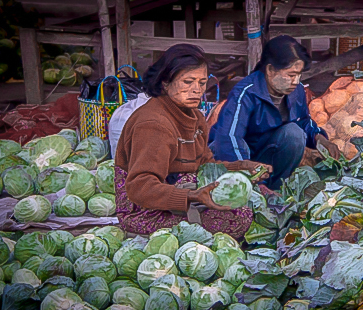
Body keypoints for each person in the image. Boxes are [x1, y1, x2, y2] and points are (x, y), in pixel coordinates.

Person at [114, 44, 271, 238]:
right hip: (145, 210)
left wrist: (241, 167)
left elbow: (206, 166)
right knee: (237, 218)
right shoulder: (153, 125)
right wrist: (191, 196)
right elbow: (140, 187)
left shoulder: (195, 117)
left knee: (259, 200)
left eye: (202, 82)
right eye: (188, 82)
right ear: (165, 83)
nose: (197, 90)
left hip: (181, 193)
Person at [209, 35, 340, 190]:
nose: (296, 81)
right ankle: (254, 189)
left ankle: (275, 189)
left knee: (294, 134)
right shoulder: (245, 93)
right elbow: (229, 139)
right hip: (234, 158)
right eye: (291, 75)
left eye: (299, 75)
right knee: (237, 145)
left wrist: (319, 138)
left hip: (264, 155)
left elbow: (303, 121)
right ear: (270, 70)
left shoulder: (297, 91)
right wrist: (250, 175)